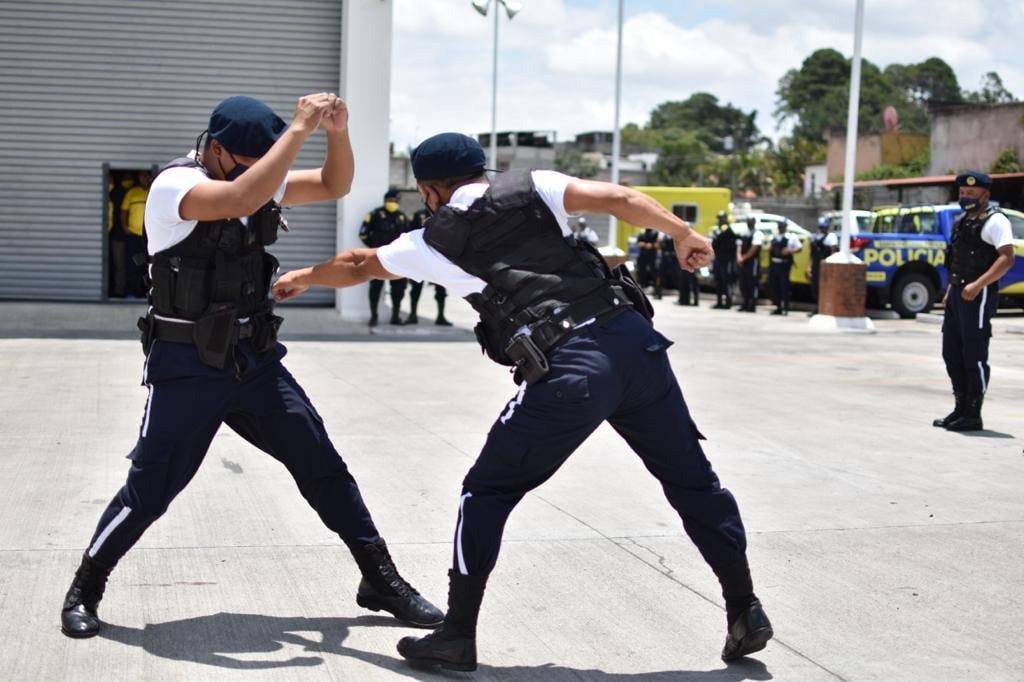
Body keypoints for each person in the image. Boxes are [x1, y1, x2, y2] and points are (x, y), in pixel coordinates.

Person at [272, 132, 773, 672]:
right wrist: (681, 233)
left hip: (573, 369)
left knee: (485, 491)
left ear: (430, 189)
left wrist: (303, 276)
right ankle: (745, 608)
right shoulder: (535, 186)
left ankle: (456, 635)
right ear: (480, 170)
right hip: (638, 346)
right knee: (694, 482)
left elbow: (356, 263)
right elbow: (618, 199)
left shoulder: (433, 240)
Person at [59, 94, 443, 639]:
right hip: (188, 365)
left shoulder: (256, 176)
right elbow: (243, 192)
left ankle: (380, 578)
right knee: (151, 489)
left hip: (255, 361)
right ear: (215, 149)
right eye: (248, 161)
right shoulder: (175, 186)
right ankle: (85, 587)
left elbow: (335, 184)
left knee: (322, 465)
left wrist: (337, 131)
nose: (263, 174)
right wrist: (299, 129)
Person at [933, 171, 1015, 432]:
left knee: (974, 355)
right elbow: (955, 260)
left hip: (978, 295)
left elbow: (1006, 258)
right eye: (962, 193)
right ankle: (960, 408)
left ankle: (973, 413)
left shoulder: (996, 221)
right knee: (951, 352)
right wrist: (950, 290)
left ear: (985, 195)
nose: (966, 197)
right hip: (958, 293)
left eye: (971, 193)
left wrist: (979, 284)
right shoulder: (961, 222)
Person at [359, 188, 410, 326]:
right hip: (378, 258)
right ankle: (374, 316)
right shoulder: (374, 215)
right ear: (385, 200)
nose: (392, 203)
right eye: (390, 200)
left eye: (395, 201)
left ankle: (395, 316)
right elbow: (363, 234)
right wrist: (373, 248)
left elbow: (409, 238)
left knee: (398, 289)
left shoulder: (402, 217)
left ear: (398, 202)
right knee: (375, 288)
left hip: (397, 260)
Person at [406, 207, 453, 326]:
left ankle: (441, 316)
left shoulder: (445, 215)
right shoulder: (418, 215)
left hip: (437, 256)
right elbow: (410, 234)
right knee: (416, 288)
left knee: (441, 289)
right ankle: (412, 315)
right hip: (420, 256)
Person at [121, 169, 152, 298]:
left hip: (149, 237)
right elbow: (123, 211)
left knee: (148, 267)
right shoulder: (131, 193)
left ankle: (145, 294)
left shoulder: (152, 191)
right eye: (141, 175)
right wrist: (125, 227)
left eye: (146, 175)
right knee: (132, 265)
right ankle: (131, 292)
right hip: (133, 235)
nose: (143, 178)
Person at [767, 219, 801, 316]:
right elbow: (767, 248)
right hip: (774, 263)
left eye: (782, 225)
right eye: (779, 225)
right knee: (773, 286)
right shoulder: (774, 237)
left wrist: (790, 250)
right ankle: (778, 306)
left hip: (784, 264)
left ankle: (785, 308)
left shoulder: (791, 237)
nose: (780, 227)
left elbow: (799, 248)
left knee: (784, 286)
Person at [807, 216, 838, 314]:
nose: (822, 229)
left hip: (826, 265)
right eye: (820, 227)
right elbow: (811, 254)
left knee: (824, 287)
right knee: (815, 287)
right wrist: (809, 266)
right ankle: (817, 307)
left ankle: (823, 308)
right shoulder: (814, 237)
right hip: (816, 265)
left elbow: (833, 252)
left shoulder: (831, 237)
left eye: (824, 227)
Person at [736, 216, 763, 313]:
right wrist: (739, 257)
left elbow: (754, 247)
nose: (749, 223)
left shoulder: (758, 233)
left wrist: (743, 258)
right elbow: (739, 245)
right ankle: (745, 303)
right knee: (743, 283)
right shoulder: (744, 233)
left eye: (751, 222)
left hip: (752, 261)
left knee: (752, 283)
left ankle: (752, 305)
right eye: (748, 221)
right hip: (743, 261)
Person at [711, 211, 737, 309]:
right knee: (718, 281)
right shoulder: (717, 230)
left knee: (727, 281)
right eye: (719, 218)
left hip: (726, 260)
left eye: (721, 218)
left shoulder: (728, 231)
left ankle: (728, 302)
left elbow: (731, 246)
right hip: (718, 259)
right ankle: (719, 302)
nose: (719, 220)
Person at [654, 233, 679, 300]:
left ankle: (681, 296)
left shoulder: (675, 233)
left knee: (678, 276)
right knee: (660, 276)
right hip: (664, 257)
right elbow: (657, 245)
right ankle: (658, 293)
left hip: (674, 257)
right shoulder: (661, 234)